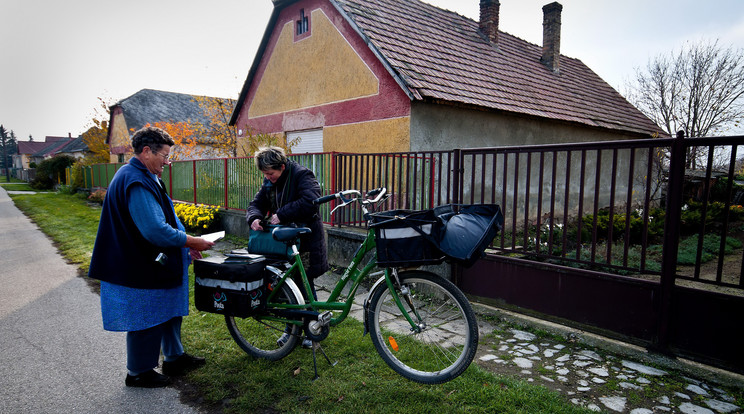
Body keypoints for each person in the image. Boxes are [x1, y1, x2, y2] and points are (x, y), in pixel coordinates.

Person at [88, 126, 214, 388]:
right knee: (146, 315)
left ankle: (174, 357)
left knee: (168, 310)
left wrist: (184, 244)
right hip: (137, 263)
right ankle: (138, 372)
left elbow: (167, 214)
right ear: (146, 151)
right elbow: (155, 229)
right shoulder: (135, 179)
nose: (167, 162)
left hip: (152, 260)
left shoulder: (146, 174)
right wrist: (193, 240)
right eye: (165, 156)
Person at [246, 147, 329, 347]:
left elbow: (311, 201)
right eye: (265, 174)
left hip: (306, 242)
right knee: (285, 287)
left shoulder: (302, 175)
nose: (268, 178)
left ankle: (311, 330)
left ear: (282, 167)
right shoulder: (269, 180)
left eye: (271, 174)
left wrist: (282, 214)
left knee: (305, 285)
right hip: (284, 243)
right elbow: (256, 203)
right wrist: (254, 217)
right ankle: (291, 330)